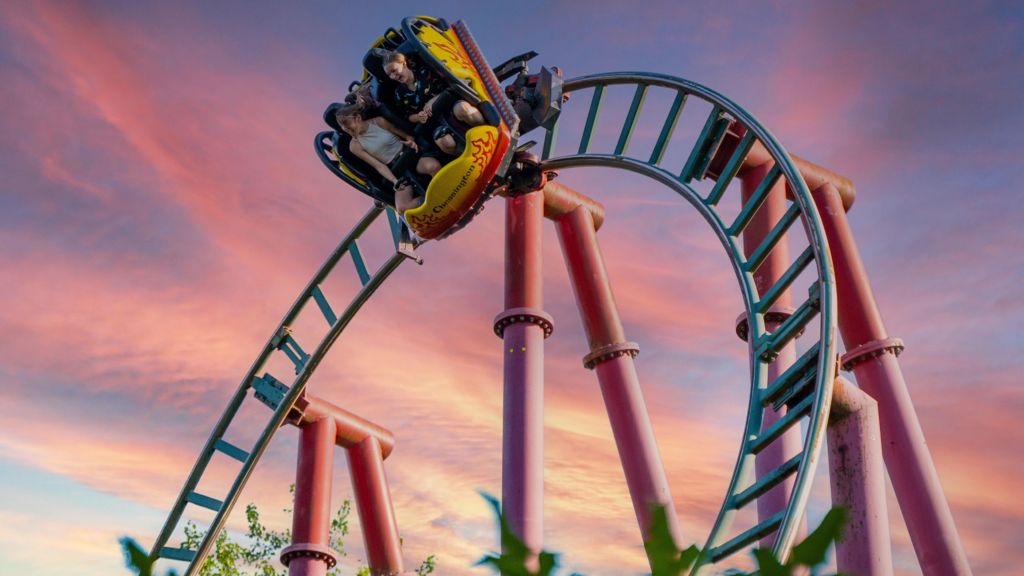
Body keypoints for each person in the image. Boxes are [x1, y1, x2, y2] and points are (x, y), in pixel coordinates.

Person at [378, 49, 485, 160]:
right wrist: (418, 116)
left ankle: (486, 133)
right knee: (443, 141)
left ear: (404, 64)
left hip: (450, 107)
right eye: (389, 74)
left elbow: (449, 87)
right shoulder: (399, 93)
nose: (393, 76)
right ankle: (470, 158)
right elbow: (408, 116)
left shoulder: (424, 72)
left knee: (463, 109)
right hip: (434, 122)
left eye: (394, 70)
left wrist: (432, 101)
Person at [334, 102, 436, 214]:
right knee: (402, 207)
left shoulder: (378, 122)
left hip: (410, 156)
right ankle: (434, 203)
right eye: (347, 131)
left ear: (358, 118)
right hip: (397, 170)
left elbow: (406, 134)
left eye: (351, 128)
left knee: (433, 166)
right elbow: (378, 165)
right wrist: (395, 181)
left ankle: (444, 190)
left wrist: (410, 141)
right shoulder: (354, 146)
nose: (350, 133)